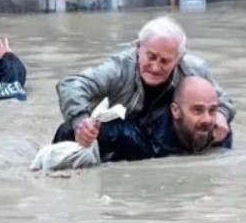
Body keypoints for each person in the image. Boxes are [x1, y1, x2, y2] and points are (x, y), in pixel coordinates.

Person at [53, 15, 236, 147]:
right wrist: (82, 122)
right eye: (151, 56)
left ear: (178, 59)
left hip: (159, 133)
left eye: (165, 61)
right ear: (138, 47)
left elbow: (223, 100)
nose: (155, 68)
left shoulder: (194, 69)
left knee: (221, 131)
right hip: (121, 130)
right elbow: (71, 85)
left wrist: (221, 115)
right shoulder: (119, 68)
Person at [58, 76, 233, 163]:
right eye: (197, 110)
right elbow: (66, 131)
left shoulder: (219, 133)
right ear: (176, 111)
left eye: (212, 110)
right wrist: (84, 129)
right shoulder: (131, 138)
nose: (207, 119)